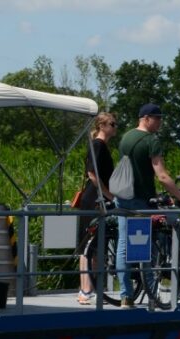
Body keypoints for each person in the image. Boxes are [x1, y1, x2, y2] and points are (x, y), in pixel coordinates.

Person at [115, 103, 180, 308]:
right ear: (145, 118)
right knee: (144, 247)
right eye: (157, 118)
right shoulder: (151, 141)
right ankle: (152, 294)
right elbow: (161, 175)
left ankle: (126, 295)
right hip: (140, 200)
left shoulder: (126, 137)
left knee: (123, 246)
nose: (160, 122)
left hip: (121, 196)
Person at [75, 112, 117, 305]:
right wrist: (109, 195)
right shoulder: (97, 145)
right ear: (102, 126)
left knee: (96, 245)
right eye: (112, 124)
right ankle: (85, 289)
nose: (115, 127)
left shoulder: (103, 146)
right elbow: (92, 173)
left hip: (98, 197)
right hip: (94, 198)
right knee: (88, 245)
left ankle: (94, 288)